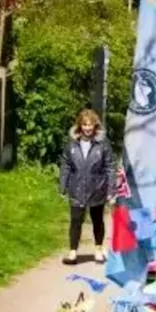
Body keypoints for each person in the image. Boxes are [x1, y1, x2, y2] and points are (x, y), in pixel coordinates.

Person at [59, 109, 116, 265]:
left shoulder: (102, 144)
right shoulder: (72, 145)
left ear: (95, 126)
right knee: (76, 220)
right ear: (80, 126)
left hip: (97, 187)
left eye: (90, 125)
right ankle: (73, 252)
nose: (87, 128)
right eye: (84, 125)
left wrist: (111, 190)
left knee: (97, 220)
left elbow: (110, 166)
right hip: (77, 187)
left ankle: (98, 249)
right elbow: (66, 165)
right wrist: (63, 186)